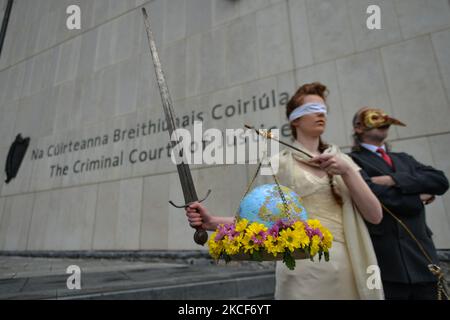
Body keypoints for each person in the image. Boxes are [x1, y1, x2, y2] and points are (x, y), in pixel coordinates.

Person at [186, 82, 384, 300]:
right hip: (299, 266)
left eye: (323, 110)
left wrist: (347, 171)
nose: (320, 114)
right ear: (295, 119)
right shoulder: (276, 164)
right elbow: (259, 221)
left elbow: (375, 215)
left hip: (347, 265)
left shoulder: (343, 162)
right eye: (312, 109)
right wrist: (212, 222)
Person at [349, 107, 449, 300]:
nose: (383, 121)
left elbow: (440, 181)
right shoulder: (353, 161)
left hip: (423, 258)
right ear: (359, 127)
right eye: (375, 117)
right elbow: (374, 194)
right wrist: (418, 196)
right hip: (387, 263)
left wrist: (392, 180)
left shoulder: (404, 159)